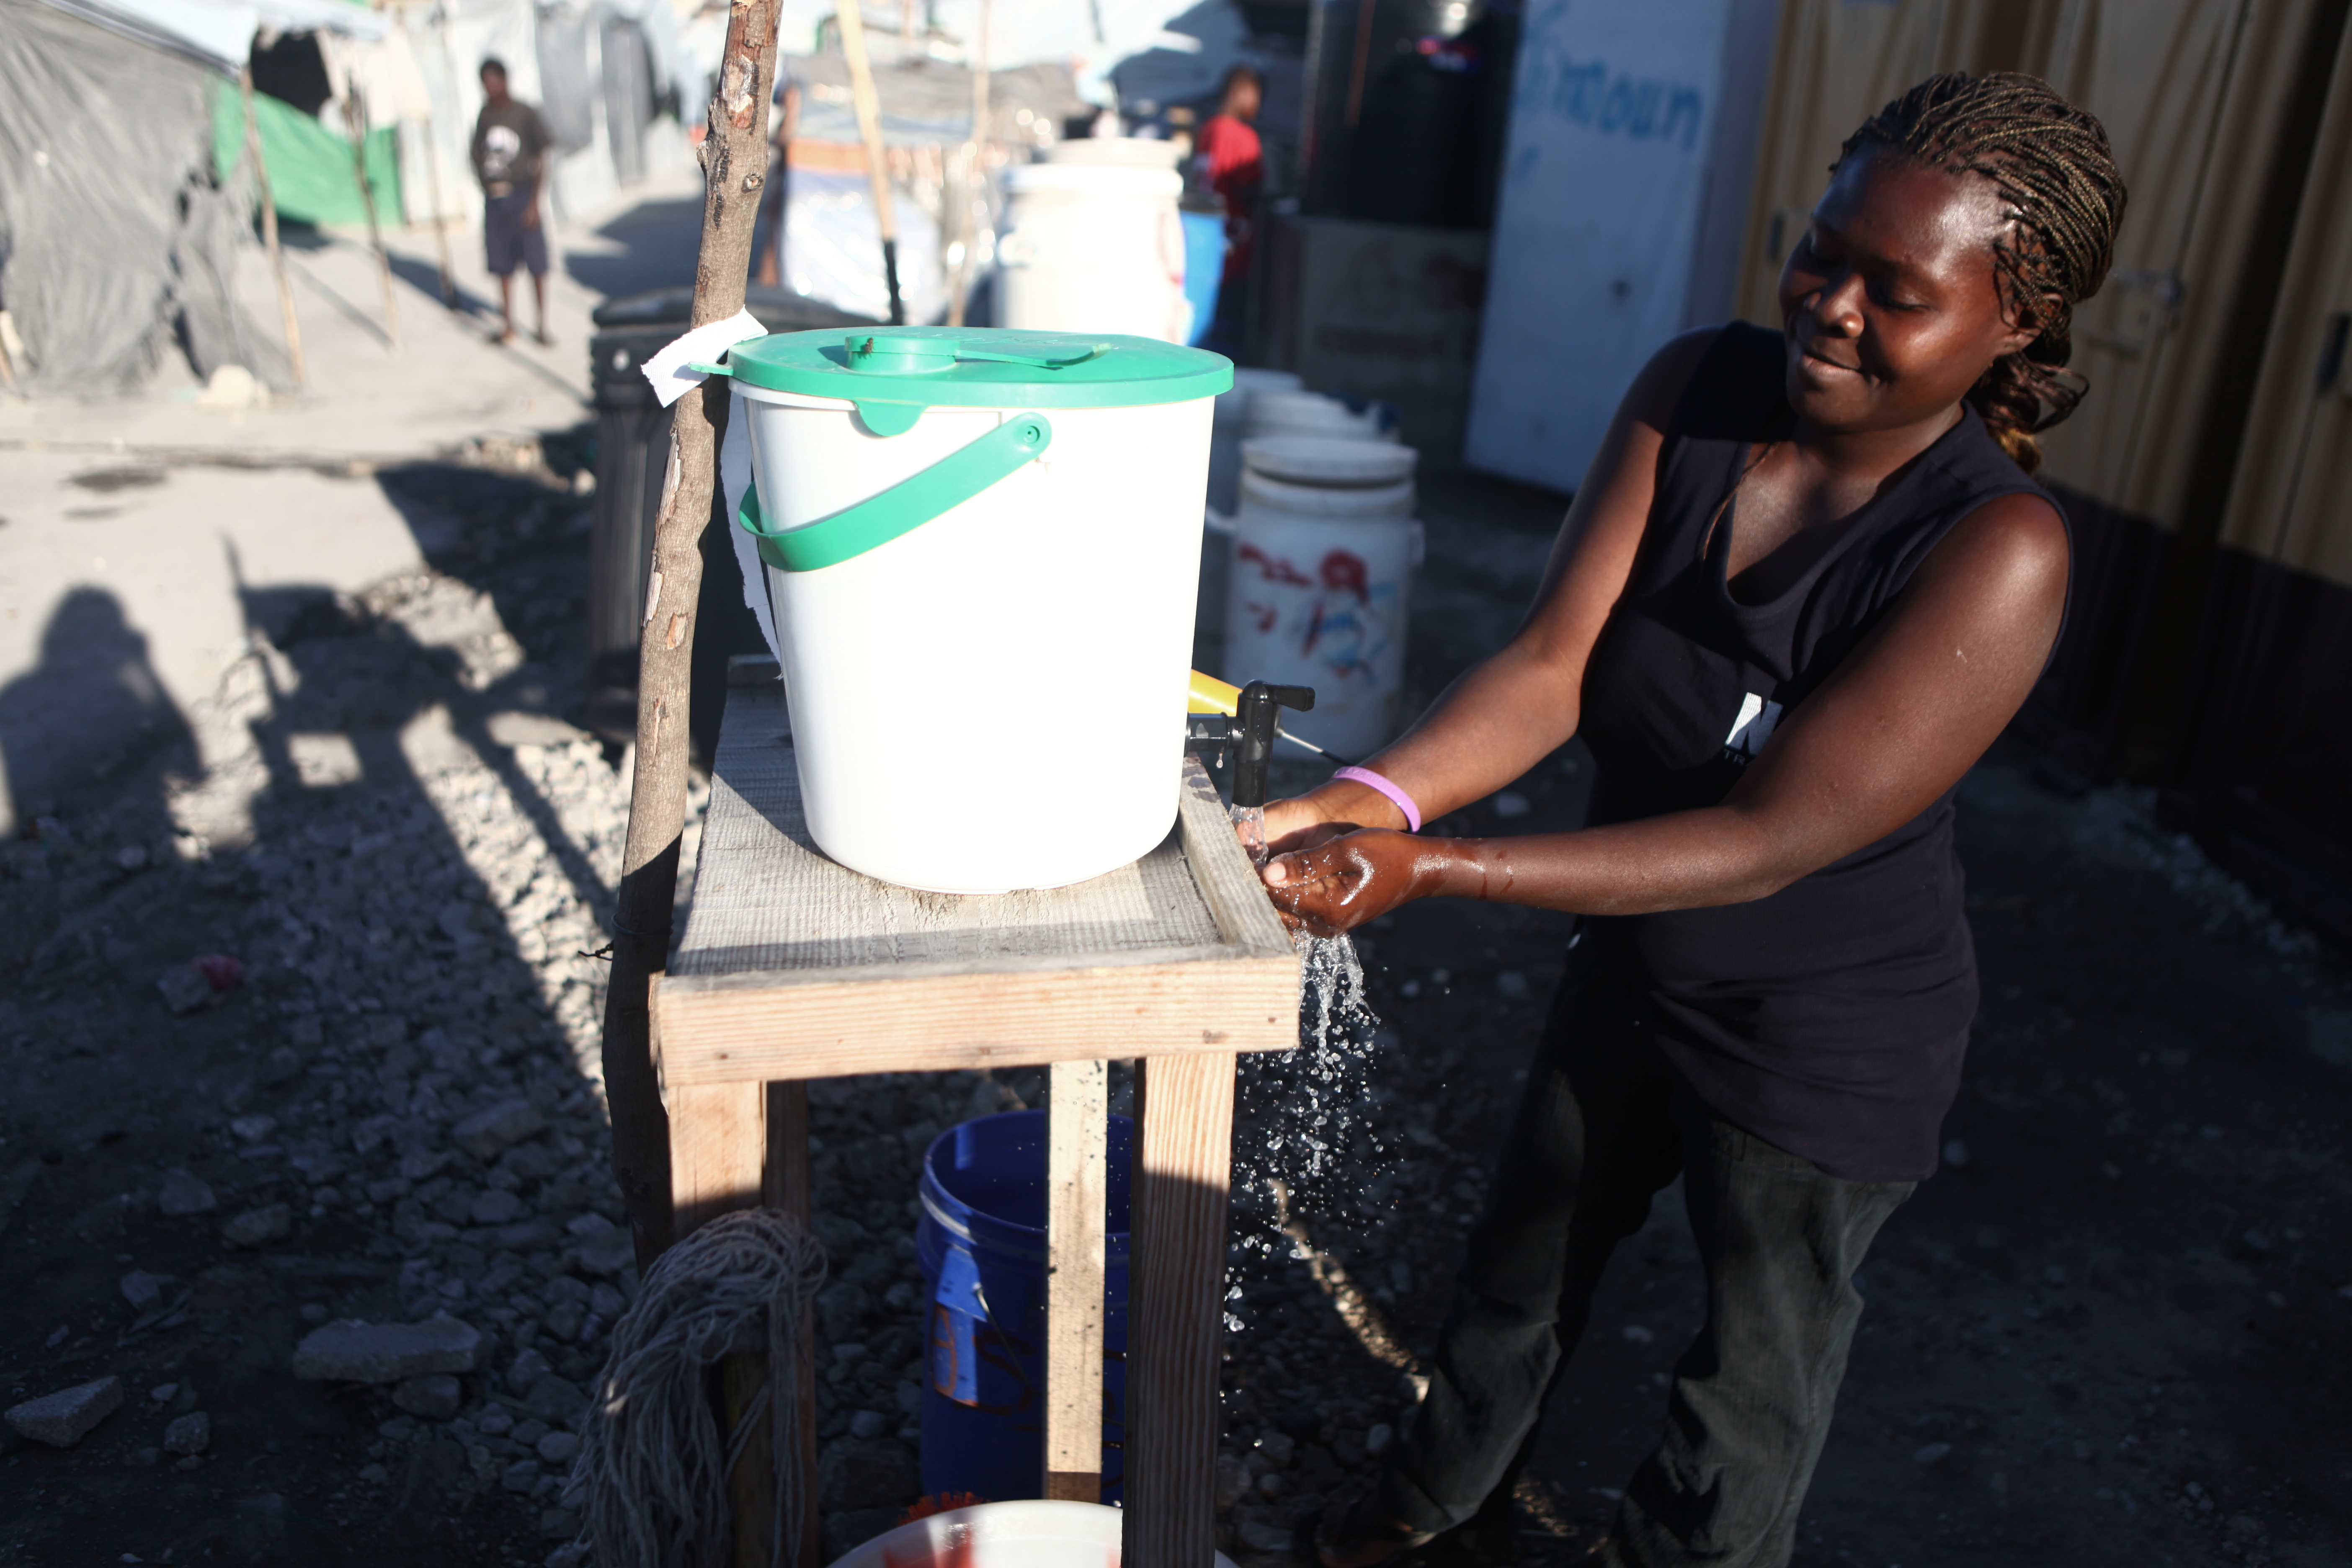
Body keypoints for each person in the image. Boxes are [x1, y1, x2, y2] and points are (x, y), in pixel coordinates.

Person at [1258, 73, 2126, 1568]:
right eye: (1822, 248)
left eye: (1895, 290)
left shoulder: (1995, 548)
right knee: (1517, 1264)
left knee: (1745, 1386)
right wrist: (1368, 797)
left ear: (2014, 325)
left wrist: (1435, 867)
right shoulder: (1695, 391)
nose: (1829, 304)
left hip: (1824, 1037)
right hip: (1637, 955)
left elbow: (1767, 837)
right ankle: (1421, 1502)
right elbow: (1550, 667)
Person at [470, 58, 551, 346]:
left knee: (536, 265)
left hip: (523, 197)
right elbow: (476, 155)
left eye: (494, 81)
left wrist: (533, 203)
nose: (490, 88)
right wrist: (485, 186)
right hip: (496, 200)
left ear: (504, 80)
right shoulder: (485, 116)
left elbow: (541, 158)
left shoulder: (524, 113)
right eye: (485, 83)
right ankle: (508, 324)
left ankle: (541, 325)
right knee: (502, 265)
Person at [1194, 64, 1264, 297]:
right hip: (1232, 245)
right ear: (1242, 91)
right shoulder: (1242, 136)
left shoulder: (1208, 129)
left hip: (1201, 236)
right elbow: (1249, 188)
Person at [754, 73, 801, 287]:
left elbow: (786, 132)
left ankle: (770, 287)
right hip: (790, 176)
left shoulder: (797, 89)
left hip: (794, 177)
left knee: (778, 240)